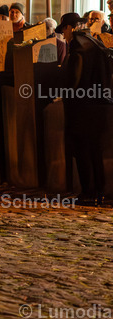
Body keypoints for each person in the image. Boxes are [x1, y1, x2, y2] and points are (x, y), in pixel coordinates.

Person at [59, 12, 112, 204]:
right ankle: (99, 190)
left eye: (63, 30)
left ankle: (87, 193)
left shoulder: (78, 48)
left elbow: (74, 80)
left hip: (82, 108)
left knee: (81, 150)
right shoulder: (95, 44)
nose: (63, 35)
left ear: (69, 28)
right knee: (95, 150)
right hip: (100, 105)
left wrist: (65, 95)